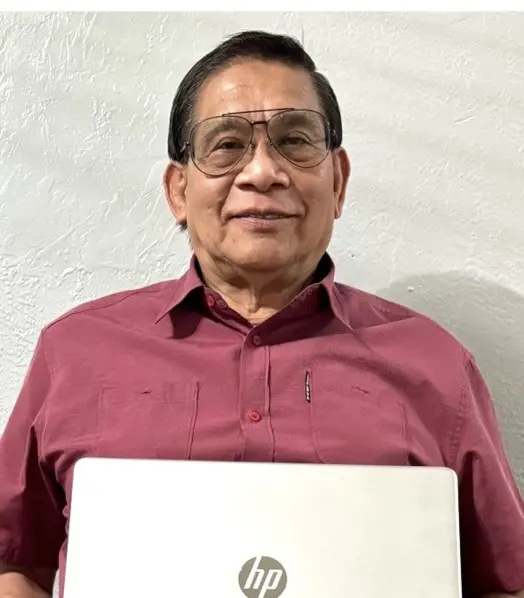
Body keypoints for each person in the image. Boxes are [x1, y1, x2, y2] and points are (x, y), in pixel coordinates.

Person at [0, 29, 523, 598]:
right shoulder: (76, 351)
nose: (262, 172)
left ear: (338, 181)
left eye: (295, 140)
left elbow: (504, 581)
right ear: (178, 190)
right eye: (226, 145)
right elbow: (12, 563)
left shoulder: (435, 364)